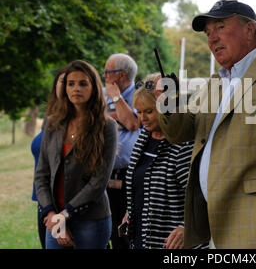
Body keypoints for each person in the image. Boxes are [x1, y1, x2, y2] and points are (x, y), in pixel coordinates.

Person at [157, 0, 256, 248]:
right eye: (209, 34)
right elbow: (180, 132)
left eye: (220, 27)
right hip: (219, 224)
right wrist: (168, 101)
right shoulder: (215, 82)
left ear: (249, 30)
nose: (212, 39)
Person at [35, 60, 118, 249]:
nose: (76, 89)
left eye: (83, 83)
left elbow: (99, 182)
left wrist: (64, 215)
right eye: (71, 84)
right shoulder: (53, 123)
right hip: (54, 218)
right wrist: (51, 215)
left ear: (94, 88)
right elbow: (41, 174)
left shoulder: (107, 127)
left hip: (91, 220)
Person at [123, 73, 204, 249]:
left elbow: (197, 194)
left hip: (172, 243)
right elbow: (139, 182)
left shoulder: (182, 143)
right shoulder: (144, 136)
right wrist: (131, 210)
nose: (142, 118)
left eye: (149, 111)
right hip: (140, 238)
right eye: (139, 112)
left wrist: (186, 227)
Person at [103, 53, 141, 249]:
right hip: (104, 174)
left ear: (121, 75)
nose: (104, 77)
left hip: (130, 175)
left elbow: (133, 123)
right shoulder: (101, 93)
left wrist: (116, 98)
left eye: (108, 72)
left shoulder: (140, 95)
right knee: (103, 230)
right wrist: (115, 114)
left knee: (125, 233)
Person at [31, 64, 69, 249]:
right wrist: (47, 210)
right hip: (43, 201)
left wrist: (61, 215)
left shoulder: (78, 120)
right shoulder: (50, 116)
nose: (69, 86)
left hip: (64, 204)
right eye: (63, 81)